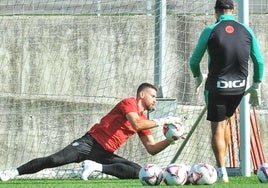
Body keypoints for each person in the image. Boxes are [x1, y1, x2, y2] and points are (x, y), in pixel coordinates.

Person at [0, 82, 180, 181]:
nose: (155, 100)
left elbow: (152, 148)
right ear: (142, 94)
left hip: (104, 153)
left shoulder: (144, 119)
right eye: (153, 96)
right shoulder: (129, 102)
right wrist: (162, 121)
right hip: (88, 144)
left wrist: (170, 140)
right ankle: (12, 172)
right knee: (54, 160)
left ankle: (95, 167)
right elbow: (137, 123)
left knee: (138, 172)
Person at [189, 0, 264, 183]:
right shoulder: (246, 29)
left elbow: (194, 61)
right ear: (233, 10)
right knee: (226, 122)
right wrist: (256, 84)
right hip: (239, 88)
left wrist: (198, 77)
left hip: (218, 87)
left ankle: (221, 170)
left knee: (217, 127)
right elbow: (259, 62)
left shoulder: (210, 30)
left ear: (216, 11)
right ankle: (226, 165)